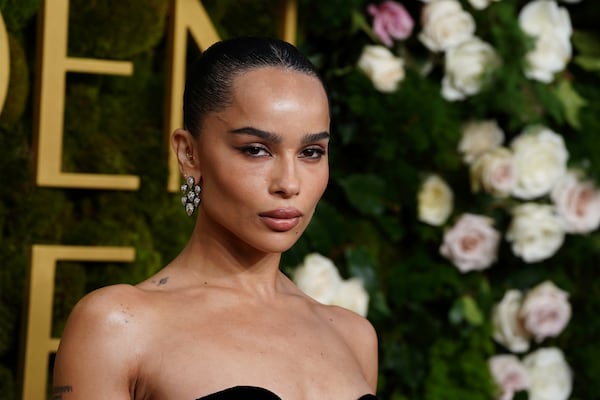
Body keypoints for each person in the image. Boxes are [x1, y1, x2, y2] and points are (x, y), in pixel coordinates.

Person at [52, 37, 378, 400]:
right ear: (188, 153)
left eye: (311, 152)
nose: (289, 183)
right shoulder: (117, 326)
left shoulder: (354, 336)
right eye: (256, 150)